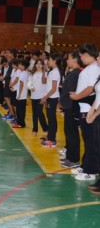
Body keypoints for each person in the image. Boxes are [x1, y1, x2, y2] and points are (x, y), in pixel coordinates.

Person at [70, 43, 100, 181]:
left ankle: (91, 171)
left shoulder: (94, 69)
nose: (81, 59)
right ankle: (86, 165)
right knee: (87, 140)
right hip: (85, 108)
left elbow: (91, 89)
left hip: (90, 109)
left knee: (91, 142)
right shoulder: (90, 68)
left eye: (81, 56)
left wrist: (77, 96)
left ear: (87, 55)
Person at [59, 50, 83, 168]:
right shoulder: (72, 72)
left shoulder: (75, 74)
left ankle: (74, 160)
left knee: (72, 133)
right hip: (67, 107)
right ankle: (69, 156)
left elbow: (73, 92)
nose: (67, 61)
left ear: (74, 60)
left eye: (68, 58)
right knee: (68, 132)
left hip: (71, 107)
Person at [40, 53, 62, 147]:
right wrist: (44, 71)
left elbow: (53, 89)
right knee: (50, 118)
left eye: (49, 60)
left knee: (52, 119)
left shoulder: (56, 72)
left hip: (52, 98)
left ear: (55, 61)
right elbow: (45, 82)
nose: (48, 61)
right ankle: (50, 136)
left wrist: (45, 97)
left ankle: (52, 140)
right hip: (49, 97)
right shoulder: (52, 71)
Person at [86, 52, 100, 194]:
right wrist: (91, 111)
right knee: (97, 148)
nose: (97, 58)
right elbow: (98, 97)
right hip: (97, 114)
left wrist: (95, 113)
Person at [27, 58, 48, 136]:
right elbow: (29, 83)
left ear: (43, 65)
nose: (39, 65)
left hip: (41, 96)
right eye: (37, 63)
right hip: (34, 96)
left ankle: (46, 129)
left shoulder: (45, 74)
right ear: (35, 65)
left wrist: (45, 97)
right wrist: (31, 87)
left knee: (39, 112)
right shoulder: (33, 73)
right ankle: (35, 129)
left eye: (40, 63)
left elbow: (45, 83)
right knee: (34, 113)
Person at [12, 59, 30, 128]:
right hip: (20, 94)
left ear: (23, 66)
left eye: (20, 64)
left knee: (21, 110)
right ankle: (19, 122)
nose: (18, 65)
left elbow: (21, 84)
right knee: (19, 109)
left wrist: (19, 94)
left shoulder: (25, 73)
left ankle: (21, 123)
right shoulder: (22, 72)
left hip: (22, 94)